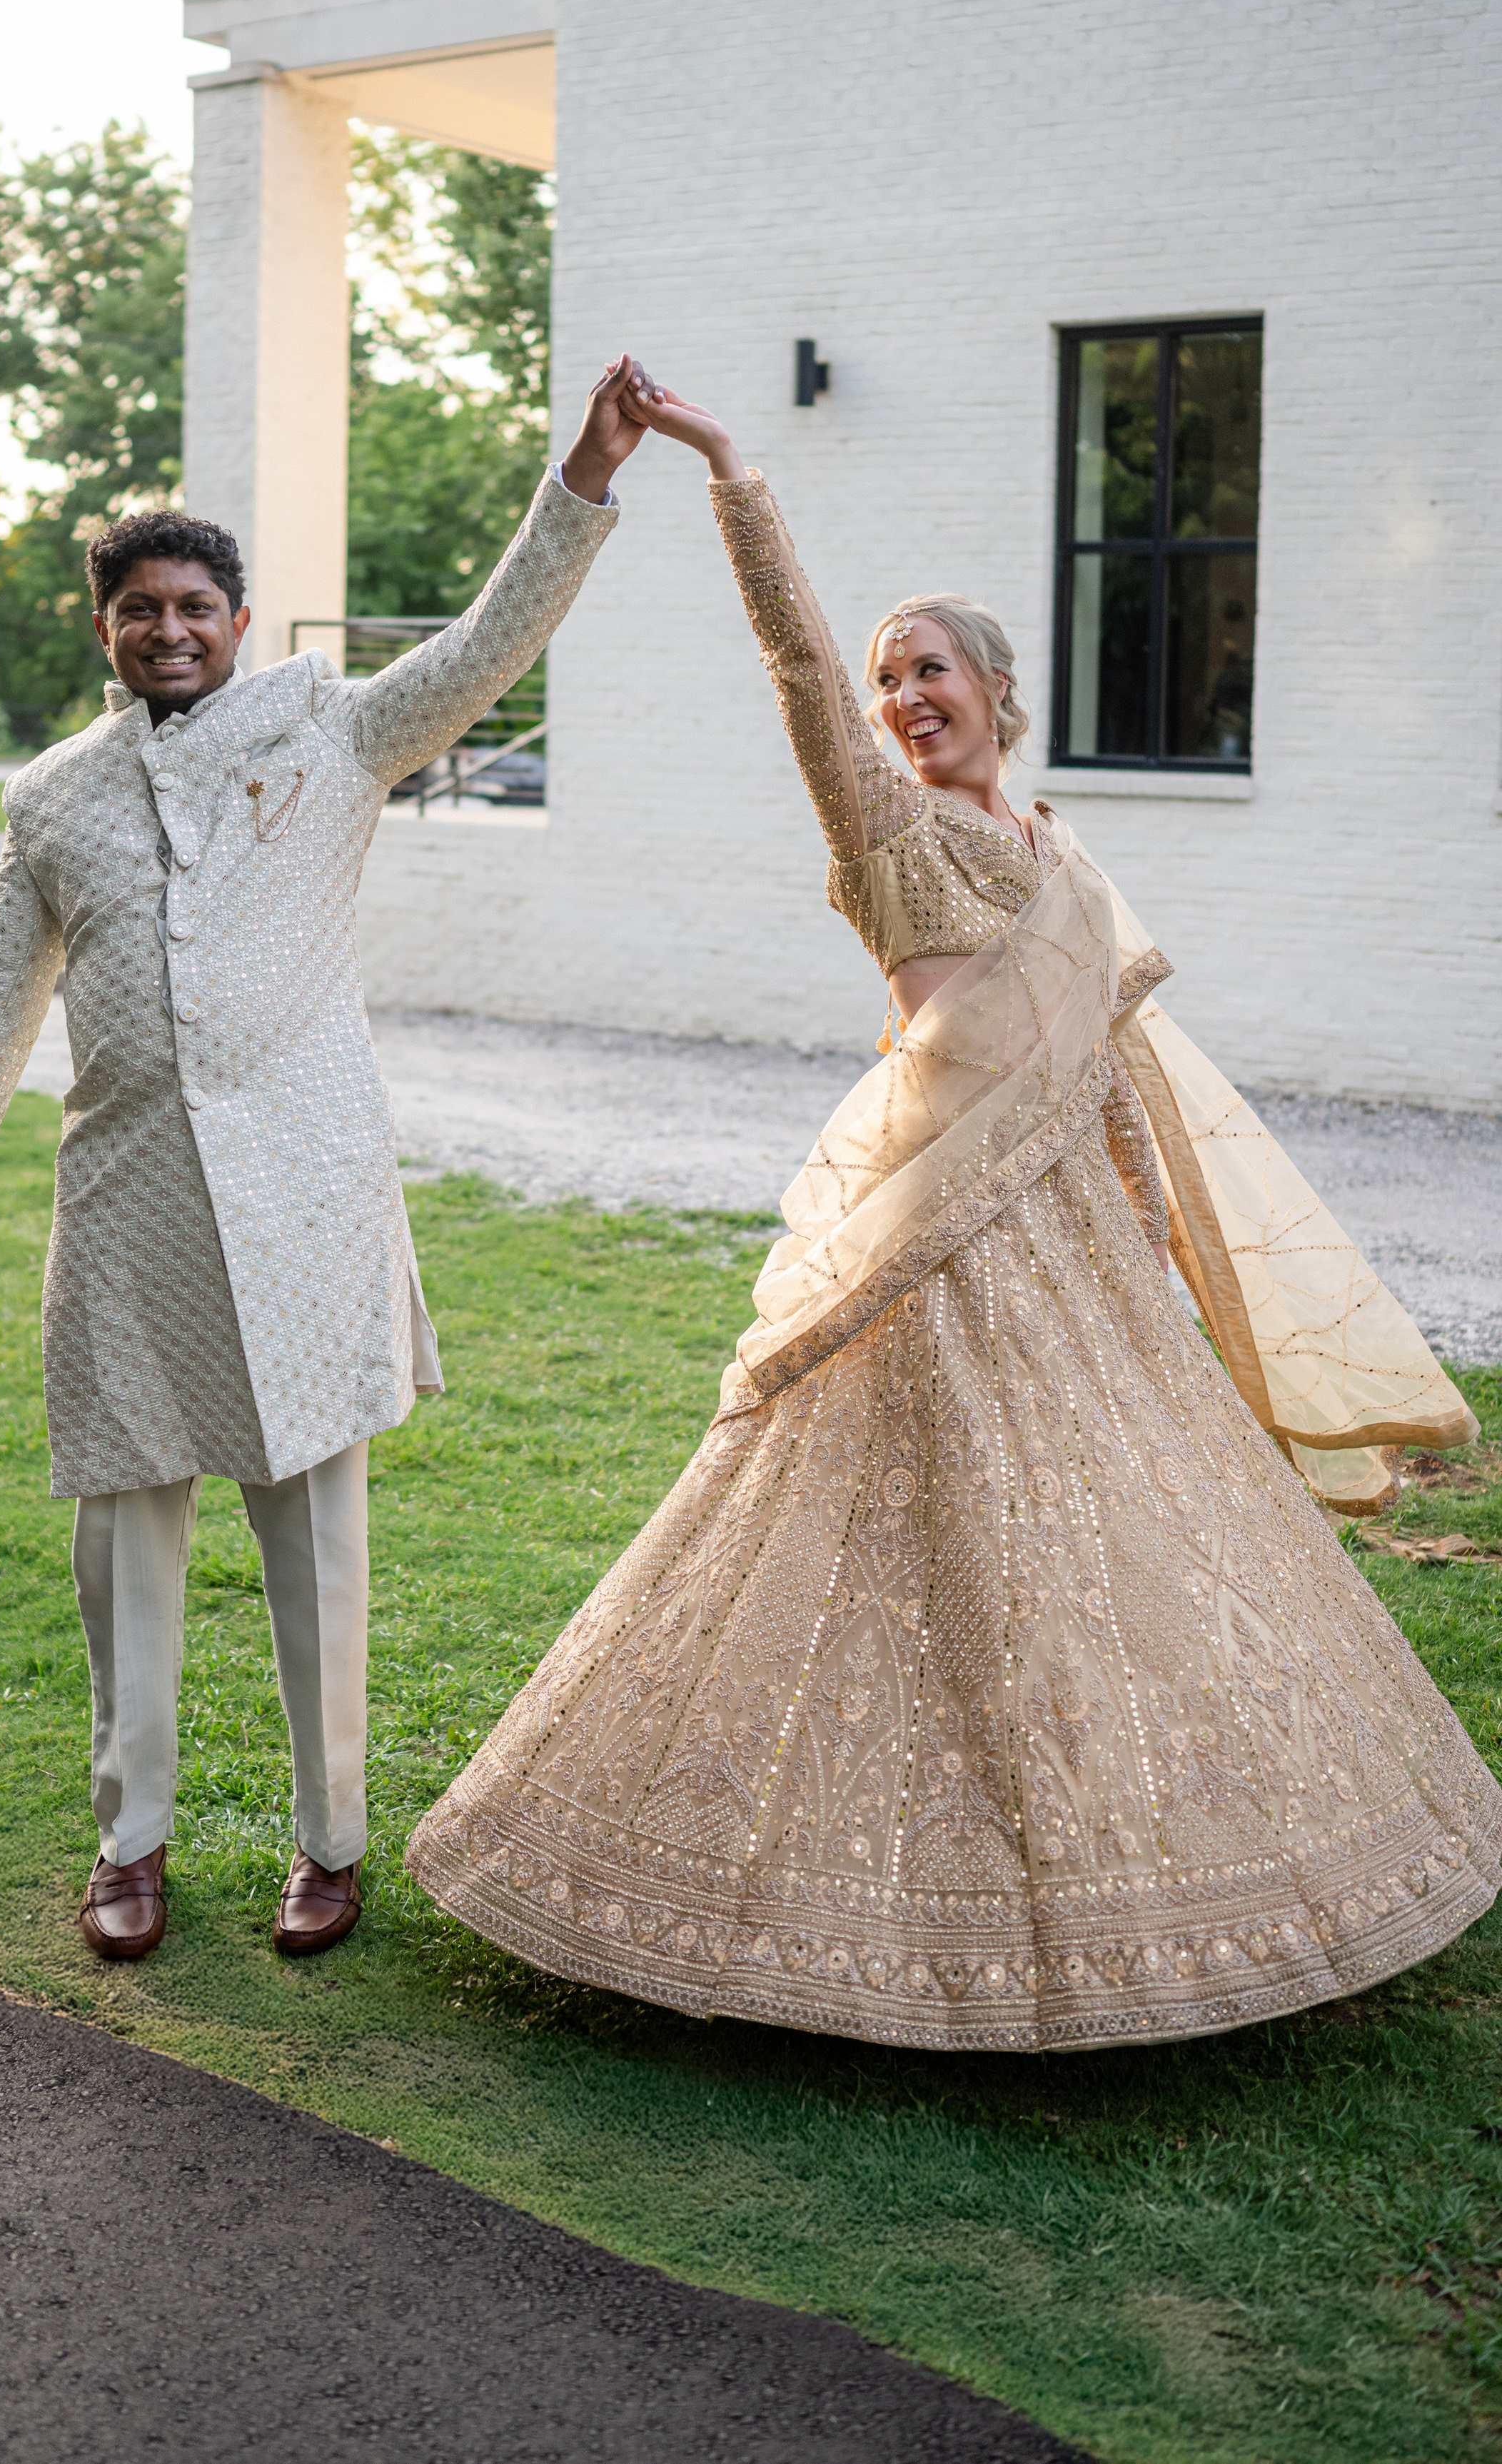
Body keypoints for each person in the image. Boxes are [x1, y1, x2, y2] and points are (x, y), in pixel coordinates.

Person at [406, 380, 1501, 2052]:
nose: (903, 696)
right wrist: (725, 473)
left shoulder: (1055, 848)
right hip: (935, 1248)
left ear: (998, 689)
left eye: (930, 669)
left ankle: (1185, 1870)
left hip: (1073, 1241)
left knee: (1122, 1539)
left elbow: (1114, 1062)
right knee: (914, 1543)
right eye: (886, 676)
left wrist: (1142, 1217)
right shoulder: (886, 821)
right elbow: (793, 666)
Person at [0, 358, 653, 1966]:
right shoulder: (51, 800)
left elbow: (485, 641)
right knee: (126, 1544)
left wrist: (577, 478)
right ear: (101, 627)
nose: (170, 628)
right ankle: (129, 1844)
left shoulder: (327, 727)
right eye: (139, 606)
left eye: (197, 604)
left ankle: (330, 1842)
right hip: (126, 1214)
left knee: (315, 1541)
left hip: (304, 1203)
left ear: (240, 619)